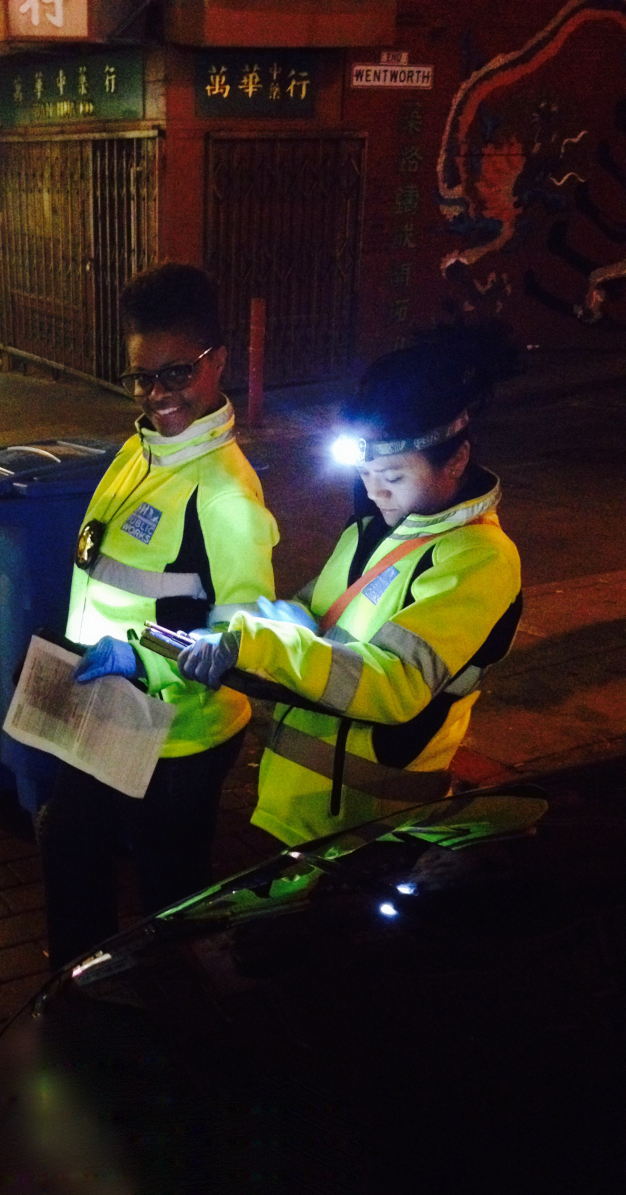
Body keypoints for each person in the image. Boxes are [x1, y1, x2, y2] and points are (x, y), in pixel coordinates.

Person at [176, 326, 523, 849]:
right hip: (297, 807)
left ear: (456, 459)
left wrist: (262, 643)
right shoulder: (371, 529)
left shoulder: (481, 558)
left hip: (370, 829)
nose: (374, 490)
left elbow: (397, 683)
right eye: (363, 473)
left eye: (393, 476)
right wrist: (250, 629)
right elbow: (311, 618)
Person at [37, 263, 279, 970]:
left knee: (168, 893)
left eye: (178, 374)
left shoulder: (226, 495)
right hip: (109, 705)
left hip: (175, 733)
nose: (157, 394)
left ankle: (173, 1022)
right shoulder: (141, 448)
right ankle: (84, 996)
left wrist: (137, 664)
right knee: (71, 841)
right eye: (143, 376)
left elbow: (238, 639)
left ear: (218, 363)